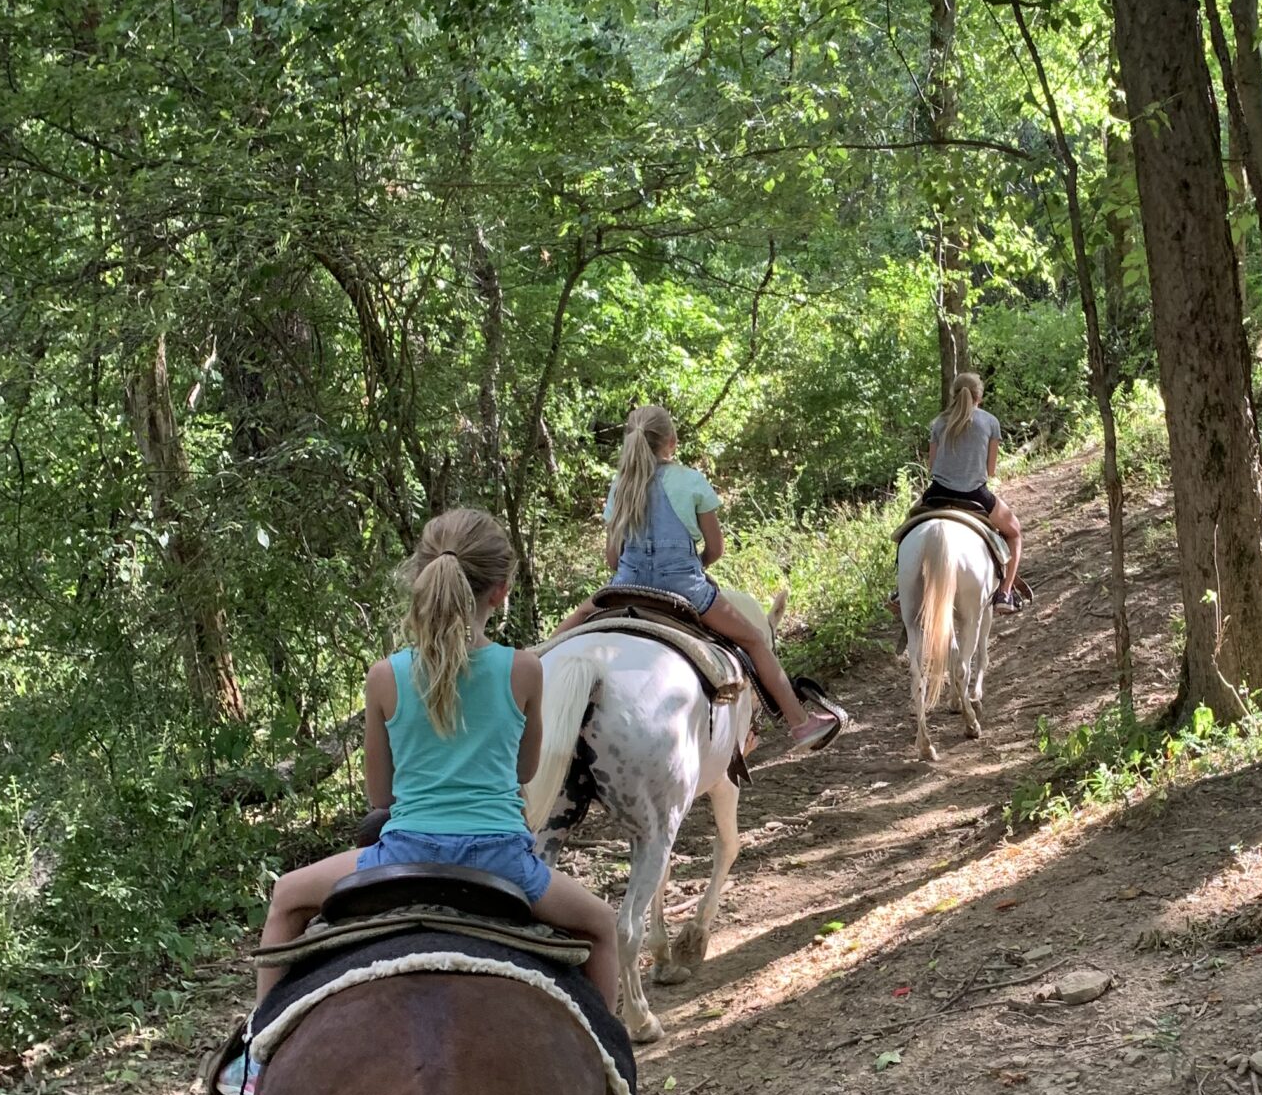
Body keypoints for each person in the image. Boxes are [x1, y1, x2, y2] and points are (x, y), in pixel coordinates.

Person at [252, 508, 622, 1011]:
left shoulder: (385, 676)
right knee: (601, 926)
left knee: (286, 899)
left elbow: (381, 797)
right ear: (501, 590)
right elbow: (524, 772)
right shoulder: (524, 669)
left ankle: (256, 1054)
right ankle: (613, 1071)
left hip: (405, 854)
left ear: (422, 579)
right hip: (504, 862)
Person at [556, 404, 844, 753]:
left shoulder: (621, 485)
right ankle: (800, 723)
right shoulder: (691, 482)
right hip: (683, 590)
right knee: (753, 640)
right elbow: (716, 549)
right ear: (672, 442)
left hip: (626, 588)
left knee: (577, 620)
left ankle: (529, 668)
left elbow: (612, 558)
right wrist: (695, 567)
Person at [919, 371, 1023, 608]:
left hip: (937, 493)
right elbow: (991, 469)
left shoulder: (938, 422)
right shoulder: (990, 422)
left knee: (907, 528)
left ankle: (899, 590)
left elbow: (932, 465)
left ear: (954, 394)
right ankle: (1005, 593)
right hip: (974, 495)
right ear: (979, 396)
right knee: (1015, 532)